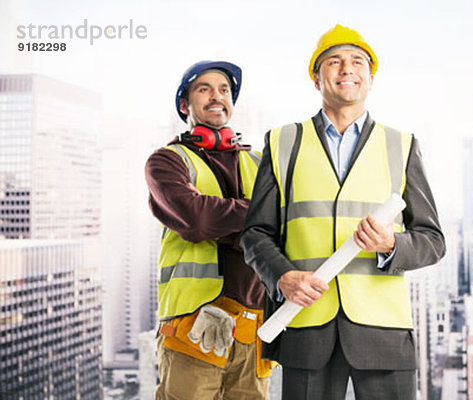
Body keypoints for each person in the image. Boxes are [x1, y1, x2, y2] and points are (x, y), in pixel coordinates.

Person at [240, 25, 446, 400]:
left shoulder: (401, 144)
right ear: (317, 78)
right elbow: (255, 234)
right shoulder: (283, 142)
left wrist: (391, 245)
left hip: (382, 328)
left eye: (357, 62)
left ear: (370, 77)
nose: (346, 69)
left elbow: (433, 240)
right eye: (334, 61)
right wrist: (283, 276)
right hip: (306, 325)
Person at [145, 60, 273, 400]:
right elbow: (197, 219)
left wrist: (224, 223)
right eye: (204, 89)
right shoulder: (168, 161)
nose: (217, 96)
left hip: (253, 329)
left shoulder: (259, 163)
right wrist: (256, 218)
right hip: (193, 328)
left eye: (224, 90)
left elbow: (281, 225)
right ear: (185, 105)